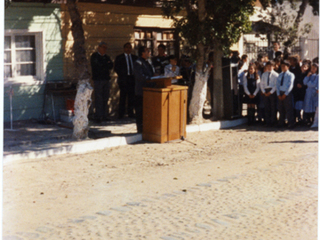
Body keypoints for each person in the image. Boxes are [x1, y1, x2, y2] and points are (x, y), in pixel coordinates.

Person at [90, 41, 113, 123]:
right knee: (99, 98)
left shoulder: (106, 57)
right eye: (103, 47)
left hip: (106, 79)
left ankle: (105, 115)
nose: (105, 49)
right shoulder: (94, 56)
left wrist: (105, 64)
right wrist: (105, 65)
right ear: (99, 47)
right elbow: (97, 66)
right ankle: (98, 116)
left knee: (105, 97)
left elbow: (111, 65)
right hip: (98, 79)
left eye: (106, 48)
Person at [133, 46, 155, 133]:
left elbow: (152, 73)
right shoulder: (138, 63)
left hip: (150, 89)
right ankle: (140, 128)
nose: (149, 53)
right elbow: (140, 76)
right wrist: (150, 78)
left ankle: (148, 126)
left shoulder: (149, 62)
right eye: (147, 51)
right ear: (142, 53)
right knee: (140, 110)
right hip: (141, 90)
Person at [114, 42, 138, 119]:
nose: (128, 49)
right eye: (127, 47)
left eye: (130, 47)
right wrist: (122, 74)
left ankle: (131, 113)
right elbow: (116, 68)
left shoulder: (134, 58)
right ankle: (121, 114)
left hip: (132, 79)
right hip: (123, 79)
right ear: (124, 48)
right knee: (123, 97)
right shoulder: (119, 57)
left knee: (131, 97)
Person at [276, 60, 295, 128]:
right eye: (281, 66)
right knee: (281, 109)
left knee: (288, 108)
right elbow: (277, 85)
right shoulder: (280, 75)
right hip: (280, 92)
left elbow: (290, 85)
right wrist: (278, 94)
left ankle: (291, 123)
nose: (282, 67)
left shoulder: (291, 75)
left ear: (288, 67)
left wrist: (285, 94)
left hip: (287, 93)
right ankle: (281, 122)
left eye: (284, 66)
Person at [260, 61, 279, 126]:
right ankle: (267, 121)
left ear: (273, 66)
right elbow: (261, 84)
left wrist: (270, 92)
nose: (269, 67)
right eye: (268, 66)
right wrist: (264, 92)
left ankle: (273, 121)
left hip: (272, 91)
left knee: (273, 107)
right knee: (267, 107)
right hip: (265, 91)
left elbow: (276, 85)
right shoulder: (264, 74)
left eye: (271, 66)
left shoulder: (276, 75)